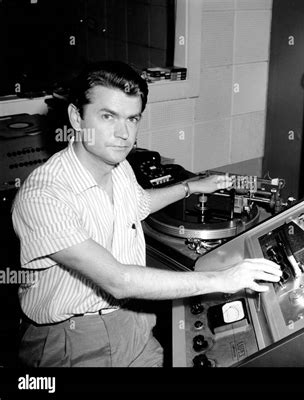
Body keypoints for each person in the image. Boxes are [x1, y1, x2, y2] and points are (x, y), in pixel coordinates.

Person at [11, 61, 281, 367]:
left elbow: (139, 204)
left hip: (134, 324)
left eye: (132, 119)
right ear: (76, 117)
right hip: (71, 340)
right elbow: (118, 280)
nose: (123, 134)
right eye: (108, 116)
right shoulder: (43, 195)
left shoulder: (119, 167)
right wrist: (222, 279)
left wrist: (191, 187)